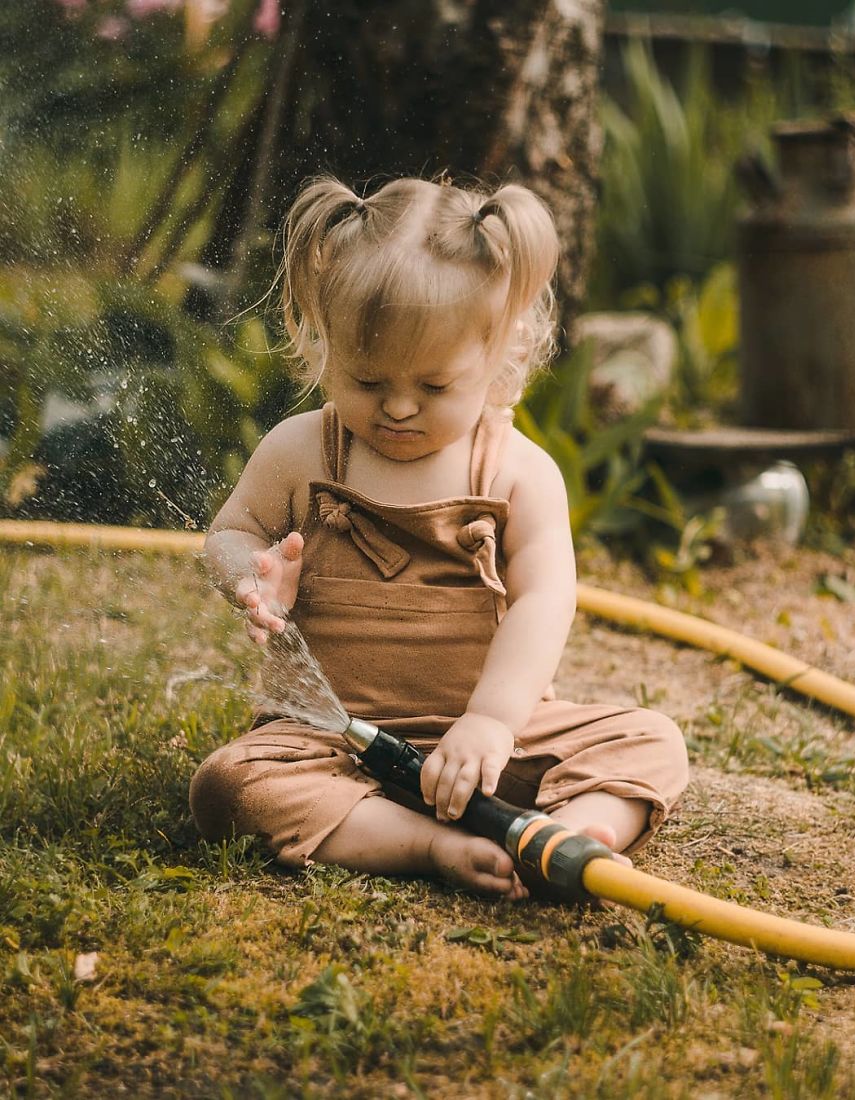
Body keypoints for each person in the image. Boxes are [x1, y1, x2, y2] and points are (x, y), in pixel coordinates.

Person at [189, 174, 688, 900]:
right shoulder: (301, 452)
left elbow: (545, 600)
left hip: (493, 742)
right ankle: (430, 844)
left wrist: (489, 722)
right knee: (230, 785)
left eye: (433, 386)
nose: (396, 406)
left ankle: (572, 835)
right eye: (366, 379)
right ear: (325, 341)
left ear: (499, 353)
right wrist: (250, 571)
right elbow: (230, 531)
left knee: (652, 741)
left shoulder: (517, 472)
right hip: (335, 744)